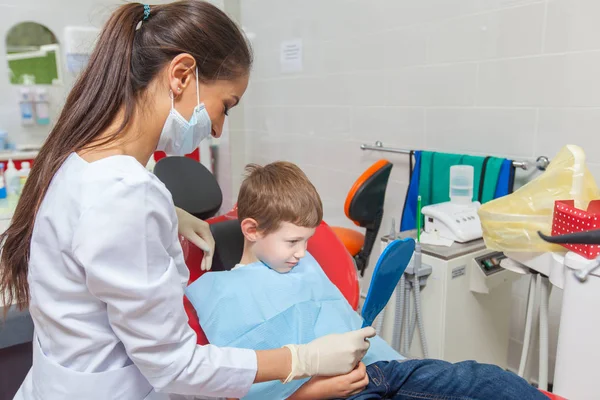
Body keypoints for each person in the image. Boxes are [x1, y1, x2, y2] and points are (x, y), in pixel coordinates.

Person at [0, 2, 375, 399]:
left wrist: (169, 213)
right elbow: (176, 366)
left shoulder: (86, 162)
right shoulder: (123, 195)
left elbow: (99, 217)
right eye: (225, 106)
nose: (217, 128)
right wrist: (302, 360)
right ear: (181, 75)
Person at [186, 161, 549, 400]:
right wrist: (318, 390)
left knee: (490, 381)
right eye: (292, 241)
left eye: (307, 240)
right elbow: (248, 386)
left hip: (387, 370)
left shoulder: (305, 264)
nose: (301, 252)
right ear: (251, 230)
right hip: (334, 393)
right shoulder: (221, 291)